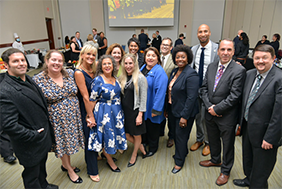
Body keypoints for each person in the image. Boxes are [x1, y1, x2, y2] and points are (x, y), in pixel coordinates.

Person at [0, 48, 58, 189]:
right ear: (6, 65)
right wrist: (33, 135)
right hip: (29, 142)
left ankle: (44, 185)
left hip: (41, 139)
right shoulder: (5, 91)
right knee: (31, 175)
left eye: (22, 60)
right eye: (15, 61)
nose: (21, 64)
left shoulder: (27, 78)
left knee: (41, 168)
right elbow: (9, 125)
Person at [233, 44, 282, 189]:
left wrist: (270, 138)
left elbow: (279, 114)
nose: (260, 61)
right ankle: (249, 179)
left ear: (273, 58)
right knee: (248, 160)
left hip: (266, 134)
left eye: (264, 58)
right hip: (248, 127)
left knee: (261, 171)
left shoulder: (279, 79)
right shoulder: (250, 74)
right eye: (257, 58)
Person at [198, 39, 246, 186]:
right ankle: (215, 160)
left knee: (228, 144)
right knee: (212, 139)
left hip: (227, 116)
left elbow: (235, 96)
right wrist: (209, 107)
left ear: (233, 52)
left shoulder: (239, 70)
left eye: (229, 50)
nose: (225, 53)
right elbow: (204, 88)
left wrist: (217, 109)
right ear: (218, 51)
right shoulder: (212, 66)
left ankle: (225, 170)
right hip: (209, 112)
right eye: (223, 49)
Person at [33, 50, 85, 184]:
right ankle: (70, 170)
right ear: (47, 61)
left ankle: (66, 165)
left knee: (69, 144)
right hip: (56, 120)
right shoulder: (38, 79)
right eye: (54, 60)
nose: (57, 63)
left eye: (60, 60)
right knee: (62, 145)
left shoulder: (69, 74)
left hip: (73, 116)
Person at [88, 55, 127, 172]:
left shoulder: (115, 78)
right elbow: (92, 100)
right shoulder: (98, 80)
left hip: (116, 111)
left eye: (109, 63)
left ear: (113, 65)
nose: (107, 66)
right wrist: (90, 117)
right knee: (106, 136)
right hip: (104, 112)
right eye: (104, 64)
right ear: (100, 66)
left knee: (114, 134)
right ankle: (110, 162)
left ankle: (107, 154)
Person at [165, 45, 199, 174]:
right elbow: (171, 92)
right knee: (176, 134)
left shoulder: (191, 74)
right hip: (174, 109)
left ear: (188, 58)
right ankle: (182, 152)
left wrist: (184, 116)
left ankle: (179, 162)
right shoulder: (175, 71)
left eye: (183, 57)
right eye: (177, 57)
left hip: (185, 112)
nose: (180, 59)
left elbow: (192, 98)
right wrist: (167, 108)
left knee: (181, 137)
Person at [190, 24, 219, 156]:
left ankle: (208, 142)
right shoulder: (194, 49)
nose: (203, 34)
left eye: (205, 31)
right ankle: (199, 139)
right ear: (197, 34)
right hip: (196, 88)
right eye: (200, 31)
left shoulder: (217, 49)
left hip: (210, 89)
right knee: (197, 116)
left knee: (208, 117)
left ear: (210, 33)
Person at [74, 44, 100, 182]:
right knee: (90, 138)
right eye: (88, 54)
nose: (91, 57)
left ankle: (98, 156)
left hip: (97, 107)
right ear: (82, 55)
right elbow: (85, 96)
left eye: (93, 55)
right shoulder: (79, 72)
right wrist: (90, 116)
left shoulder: (94, 69)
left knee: (97, 136)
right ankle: (92, 170)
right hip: (87, 109)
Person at [119, 54, 147, 167]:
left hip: (135, 112)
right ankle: (140, 146)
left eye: (130, 63)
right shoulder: (122, 77)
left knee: (136, 135)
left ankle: (134, 155)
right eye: (126, 63)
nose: (128, 66)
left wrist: (140, 115)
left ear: (135, 64)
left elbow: (143, 98)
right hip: (124, 112)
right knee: (125, 134)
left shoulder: (140, 78)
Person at [140, 47, 168, 157]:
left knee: (153, 128)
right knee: (146, 126)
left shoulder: (159, 72)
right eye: (148, 55)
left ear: (158, 58)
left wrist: (156, 109)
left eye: (153, 56)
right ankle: (145, 142)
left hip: (153, 105)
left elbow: (161, 93)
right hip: (144, 105)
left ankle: (153, 148)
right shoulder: (143, 68)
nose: (150, 58)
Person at [159, 37, 177, 146]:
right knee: (158, 113)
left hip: (169, 93)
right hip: (157, 94)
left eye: (167, 45)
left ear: (171, 47)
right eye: (163, 44)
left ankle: (171, 136)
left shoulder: (174, 60)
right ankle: (160, 132)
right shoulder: (155, 58)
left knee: (170, 116)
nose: (164, 46)